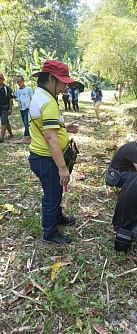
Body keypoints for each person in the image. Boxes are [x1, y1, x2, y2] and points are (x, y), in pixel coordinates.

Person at [28, 60, 79, 244]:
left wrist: (64, 127)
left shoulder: (40, 96)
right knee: (51, 196)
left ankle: (57, 217)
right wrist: (63, 168)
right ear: (51, 78)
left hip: (41, 157)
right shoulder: (48, 102)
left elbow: (45, 126)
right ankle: (49, 233)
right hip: (46, 158)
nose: (65, 86)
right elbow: (50, 138)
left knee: (55, 191)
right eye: (62, 81)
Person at [14, 75, 33, 143]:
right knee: (24, 122)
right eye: (17, 82)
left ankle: (26, 136)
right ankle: (29, 134)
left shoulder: (28, 89)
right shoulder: (18, 89)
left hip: (27, 107)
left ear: (23, 81)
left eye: (20, 81)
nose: (19, 83)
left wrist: (31, 107)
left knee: (26, 122)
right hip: (21, 108)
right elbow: (15, 95)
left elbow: (32, 98)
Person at [0, 73, 14, 143]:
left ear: (3, 79)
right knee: (6, 121)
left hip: (5, 107)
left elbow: (11, 98)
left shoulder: (7, 88)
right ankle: (11, 134)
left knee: (3, 121)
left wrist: (10, 108)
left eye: (0, 78)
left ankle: (1, 137)